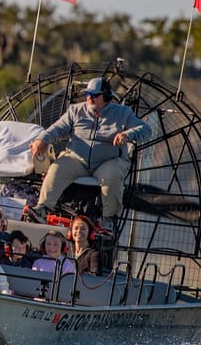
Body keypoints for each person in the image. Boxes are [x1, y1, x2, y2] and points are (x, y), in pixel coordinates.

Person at [26, 76, 151, 232]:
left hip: (109, 161)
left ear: (105, 96)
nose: (89, 98)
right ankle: (42, 209)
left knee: (112, 177)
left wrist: (128, 134)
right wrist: (42, 140)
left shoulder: (123, 113)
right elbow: (57, 128)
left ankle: (108, 220)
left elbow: (146, 130)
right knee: (57, 168)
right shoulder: (75, 110)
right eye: (87, 94)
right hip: (77, 158)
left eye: (94, 95)